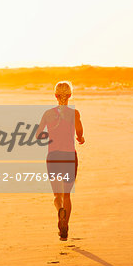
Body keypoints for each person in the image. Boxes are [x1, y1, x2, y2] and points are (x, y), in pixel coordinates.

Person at [36, 81, 84, 240]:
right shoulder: (74, 113)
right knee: (67, 195)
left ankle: (59, 211)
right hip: (69, 156)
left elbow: (38, 135)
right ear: (70, 95)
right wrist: (80, 138)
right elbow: (79, 133)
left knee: (57, 196)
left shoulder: (48, 114)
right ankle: (65, 228)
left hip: (54, 156)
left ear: (55, 96)